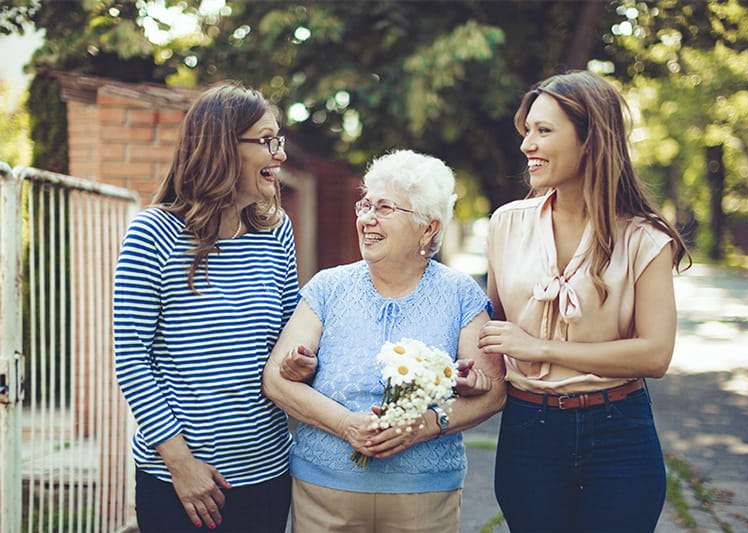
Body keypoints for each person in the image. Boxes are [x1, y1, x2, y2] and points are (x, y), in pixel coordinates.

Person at [479, 70, 691, 532]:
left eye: (543, 131)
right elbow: (494, 329)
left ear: (591, 139)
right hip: (528, 431)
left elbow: (655, 354)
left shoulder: (644, 238)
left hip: (620, 433)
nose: (526, 145)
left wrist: (542, 348)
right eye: (527, 130)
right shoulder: (505, 224)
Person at [261, 149, 506, 533]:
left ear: (428, 228)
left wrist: (425, 424)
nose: (367, 219)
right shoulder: (328, 287)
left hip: (424, 494)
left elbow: (494, 392)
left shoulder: (461, 294)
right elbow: (275, 378)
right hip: (324, 490)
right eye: (365, 205)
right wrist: (345, 425)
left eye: (386, 208)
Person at [113, 82, 297, 533]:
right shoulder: (152, 234)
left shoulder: (277, 232)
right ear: (221, 148)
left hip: (268, 474)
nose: (280, 155)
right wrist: (181, 465)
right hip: (180, 482)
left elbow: (291, 344)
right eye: (267, 141)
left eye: (280, 140)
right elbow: (133, 359)